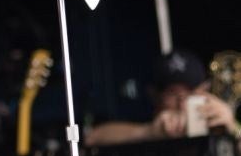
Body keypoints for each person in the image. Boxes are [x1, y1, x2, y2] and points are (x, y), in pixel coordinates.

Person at [85, 49, 239, 146]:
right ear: (154, 96)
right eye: (173, 94)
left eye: (191, 94)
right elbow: (92, 138)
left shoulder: (215, 127)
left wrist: (232, 128)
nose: (182, 102)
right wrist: (149, 132)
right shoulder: (150, 126)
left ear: (205, 92)